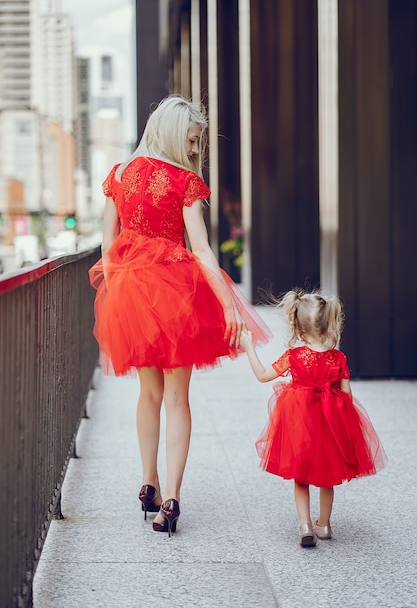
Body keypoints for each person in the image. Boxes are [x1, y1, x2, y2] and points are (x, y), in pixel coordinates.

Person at [89, 95, 271, 537]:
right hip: (176, 295)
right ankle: (170, 498)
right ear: (173, 134)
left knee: (148, 395)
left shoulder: (118, 175)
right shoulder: (183, 182)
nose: (194, 151)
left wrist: (118, 295)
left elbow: (106, 247)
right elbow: (202, 249)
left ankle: (147, 483)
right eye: (192, 141)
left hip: (130, 293)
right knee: (176, 398)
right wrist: (228, 304)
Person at [240, 289, 387, 547]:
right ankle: (325, 524)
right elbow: (347, 397)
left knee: (301, 476)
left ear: (297, 327)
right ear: (327, 322)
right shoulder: (339, 358)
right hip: (330, 425)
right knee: (327, 477)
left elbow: (263, 375)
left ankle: (305, 524)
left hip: (299, 424)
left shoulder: (294, 357)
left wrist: (249, 347)